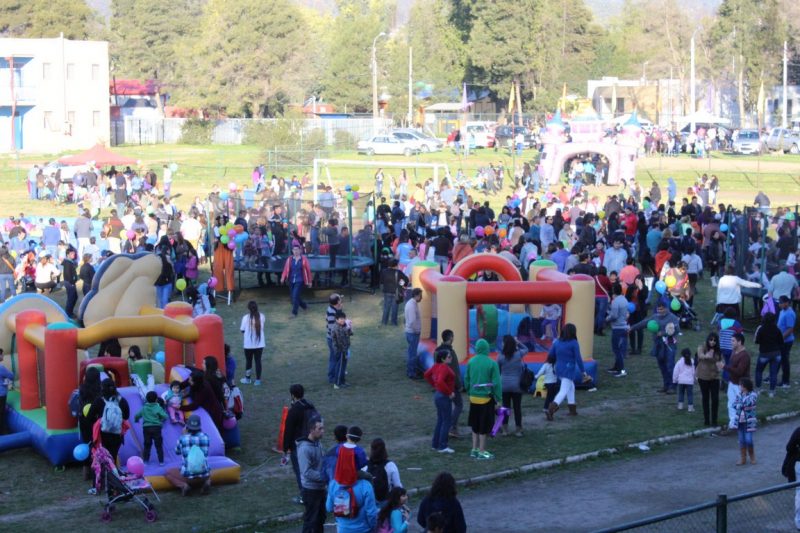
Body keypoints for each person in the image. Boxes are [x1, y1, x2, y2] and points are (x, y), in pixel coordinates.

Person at [630, 300, 681, 394]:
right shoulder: (655, 317)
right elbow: (645, 323)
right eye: (658, 309)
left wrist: (664, 333)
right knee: (662, 366)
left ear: (666, 308)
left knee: (670, 366)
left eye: (661, 309)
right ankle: (666, 385)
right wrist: (632, 328)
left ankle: (673, 387)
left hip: (669, 345)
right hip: (658, 345)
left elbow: (677, 330)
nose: (659, 311)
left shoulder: (672, 318)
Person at [463, 338, 501, 460]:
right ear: (487, 348)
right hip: (486, 399)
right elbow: (496, 383)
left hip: (473, 398)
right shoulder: (492, 363)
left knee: (475, 424)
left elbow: (466, 379)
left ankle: (473, 449)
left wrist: (469, 391)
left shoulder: (471, 362)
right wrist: (499, 399)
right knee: (484, 427)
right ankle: (482, 451)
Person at [283, 384, 316, 505]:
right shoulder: (310, 405)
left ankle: (304, 496)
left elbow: (288, 430)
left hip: (299, 445)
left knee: (300, 472)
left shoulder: (294, 410)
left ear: (292, 395)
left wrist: (286, 448)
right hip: (313, 442)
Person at [547, 324, 587, 419]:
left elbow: (551, 354)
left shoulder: (557, 342)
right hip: (568, 370)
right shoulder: (573, 343)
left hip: (558, 369)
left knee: (571, 387)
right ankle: (551, 408)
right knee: (563, 390)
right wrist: (583, 372)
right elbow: (578, 359)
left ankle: (572, 410)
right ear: (573, 332)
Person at [87, 378, 130, 466]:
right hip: (117, 434)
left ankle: (102, 476)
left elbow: (89, 417)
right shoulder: (122, 400)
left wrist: (99, 420)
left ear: (102, 388)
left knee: (102, 457)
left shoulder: (99, 401)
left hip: (103, 434)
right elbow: (126, 416)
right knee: (113, 456)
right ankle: (112, 476)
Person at [165, 414, 211, 496]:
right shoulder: (206, 437)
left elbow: (177, 452)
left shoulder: (183, 439)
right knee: (208, 468)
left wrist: (183, 435)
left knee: (168, 472)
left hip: (189, 478)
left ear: (187, 427)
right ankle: (207, 482)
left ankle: (183, 486)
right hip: (204, 475)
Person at [326, 466, 379, 533]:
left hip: (343, 529)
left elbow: (329, 508)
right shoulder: (365, 485)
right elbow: (371, 513)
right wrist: (373, 527)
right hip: (363, 529)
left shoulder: (333, 484)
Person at [424, 349, 456, 454]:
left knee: (440, 420)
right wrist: (449, 392)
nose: (451, 358)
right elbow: (441, 381)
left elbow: (427, 375)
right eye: (449, 356)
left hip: (438, 395)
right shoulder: (444, 368)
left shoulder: (436, 366)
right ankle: (443, 446)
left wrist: (434, 385)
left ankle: (435, 444)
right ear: (443, 359)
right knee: (446, 421)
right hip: (444, 396)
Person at [299, 416, 327, 533]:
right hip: (311, 490)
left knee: (320, 519)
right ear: (311, 430)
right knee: (311, 521)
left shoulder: (318, 443)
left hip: (320, 488)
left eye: (323, 428)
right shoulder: (305, 449)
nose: (323, 431)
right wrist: (324, 476)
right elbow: (307, 472)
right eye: (320, 429)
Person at [436, 329, 463, 439]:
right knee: (459, 405)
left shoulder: (437, 351)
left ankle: (445, 428)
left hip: (441, 385)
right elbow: (455, 370)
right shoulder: (450, 353)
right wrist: (459, 385)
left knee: (444, 408)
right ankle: (452, 427)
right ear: (451, 338)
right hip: (451, 385)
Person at [497, 335, 525, 437]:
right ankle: (518, 429)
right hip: (517, 385)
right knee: (517, 408)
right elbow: (526, 349)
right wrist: (518, 342)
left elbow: (497, 370)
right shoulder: (518, 354)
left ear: (504, 344)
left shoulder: (500, 356)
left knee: (505, 407)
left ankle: (505, 429)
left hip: (504, 385)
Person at [364, 438, 403, 508]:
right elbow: (398, 486)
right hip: (386, 503)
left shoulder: (364, 466)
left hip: (370, 503)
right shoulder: (390, 465)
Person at [725, 333, 751, 432]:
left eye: (733, 341)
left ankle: (744, 426)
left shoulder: (745, 356)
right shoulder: (734, 351)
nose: (731, 343)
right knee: (731, 404)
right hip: (732, 383)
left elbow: (739, 371)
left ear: (739, 342)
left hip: (741, 385)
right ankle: (733, 425)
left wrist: (724, 367)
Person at [754, 312, 784, 397]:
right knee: (773, 373)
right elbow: (781, 342)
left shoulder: (761, 329)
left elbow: (757, 341)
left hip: (764, 353)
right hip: (776, 354)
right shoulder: (777, 329)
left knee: (759, 371)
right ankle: (772, 392)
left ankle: (758, 390)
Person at [696, 333, 723, 427]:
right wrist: (706, 355)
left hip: (714, 377)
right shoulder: (702, 347)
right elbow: (700, 355)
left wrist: (720, 366)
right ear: (708, 340)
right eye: (711, 340)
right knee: (705, 398)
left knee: (715, 399)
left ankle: (714, 420)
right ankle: (707, 420)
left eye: (714, 340)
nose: (712, 342)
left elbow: (719, 361)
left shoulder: (718, 350)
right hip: (703, 377)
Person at [134, 390, 168, 466]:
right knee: (158, 445)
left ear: (146, 399)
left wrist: (136, 420)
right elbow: (165, 416)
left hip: (146, 428)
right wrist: (161, 419)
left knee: (147, 444)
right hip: (156, 428)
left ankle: (146, 461)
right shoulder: (158, 407)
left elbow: (137, 415)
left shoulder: (144, 408)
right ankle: (161, 461)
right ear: (156, 399)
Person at [732, 378, 758, 465]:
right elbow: (734, 405)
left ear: (745, 387)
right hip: (739, 422)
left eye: (741, 385)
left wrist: (740, 404)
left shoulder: (753, 395)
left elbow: (749, 403)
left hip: (749, 423)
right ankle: (743, 459)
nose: (739, 386)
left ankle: (752, 457)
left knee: (749, 440)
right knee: (741, 440)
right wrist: (741, 405)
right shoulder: (739, 395)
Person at [281, 244, 312, 317]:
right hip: (291, 280)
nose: (296, 251)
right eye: (294, 250)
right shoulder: (289, 259)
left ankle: (294, 313)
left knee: (295, 296)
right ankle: (304, 306)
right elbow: (285, 269)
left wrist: (310, 281)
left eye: (297, 250)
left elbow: (308, 271)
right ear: (292, 251)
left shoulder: (304, 259)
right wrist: (283, 277)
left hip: (300, 280)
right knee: (294, 297)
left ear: (300, 250)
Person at [240, 300, 265, 385]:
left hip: (248, 345)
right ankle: (258, 380)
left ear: (249, 308)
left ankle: (247, 379)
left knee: (248, 361)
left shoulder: (245, 318)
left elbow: (242, 330)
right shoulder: (262, 316)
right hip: (259, 344)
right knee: (258, 361)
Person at [607, 282, 629, 377]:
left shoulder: (615, 301)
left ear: (613, 291)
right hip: (624, 326)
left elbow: (614, 316)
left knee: (617, 349)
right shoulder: (624, 299)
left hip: (617, 328)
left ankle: (622, 370)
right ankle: (616, 367)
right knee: (619, 348)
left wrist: (606, 319)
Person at [380, 259, 408, 326]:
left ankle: (384, 322)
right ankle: (393, 323)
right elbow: (406, 280)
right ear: (396, 265)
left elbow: (381, 281)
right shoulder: (399, 272)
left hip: (387, 291)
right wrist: (400, 285)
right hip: (396, 292)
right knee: (395, 308)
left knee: (386, 307)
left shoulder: (384, 271)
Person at [777, 295, 796, 389]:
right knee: (780, 360)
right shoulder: (782, 311)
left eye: (781, 303)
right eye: (779, 302)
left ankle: (786, 382)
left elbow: (790, 329)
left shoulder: (789, 314)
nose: (779, 304)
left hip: (786, 341)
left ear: (786, 303)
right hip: (782, 340)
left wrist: (781, 338)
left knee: (784, 361)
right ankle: (777, 378)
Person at [404, 288, 423, 379]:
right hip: (413, 333)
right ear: (417, 295)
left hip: (410, 332)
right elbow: (412, 321)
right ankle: (411, 372)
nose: (421, 297)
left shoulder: (412, 303)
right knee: (412, 353)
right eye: (420, 295)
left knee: (412, 352)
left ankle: (413, 369)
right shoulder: (412, 305)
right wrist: (417, 330)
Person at [332, 310, 353, 389]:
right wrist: (344, 351)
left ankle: (342, 381)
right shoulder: (336, 328)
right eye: (341, 319)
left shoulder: (344, 325)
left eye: (344, 318)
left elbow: (350, 333)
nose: (343, 320)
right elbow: (340, 341)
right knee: (340, 367)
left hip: (345, 350)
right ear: (336, 320)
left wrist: (349, 326)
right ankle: (337, 383)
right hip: (340, 350)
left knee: (343, 367)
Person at [537, 351, 559, 420]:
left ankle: (547, 410)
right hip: (554, 384)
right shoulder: (556, 365)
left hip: (548, 384)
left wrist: (535, 377)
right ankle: (550, 410)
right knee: (553, 397)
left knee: (549, 397)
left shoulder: (545, 365)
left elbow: (540, 373)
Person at [61, 247, 79, 318]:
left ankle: (69, 312)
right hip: (69, 282)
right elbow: (67, 274)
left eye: (74, 253)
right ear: (67, 255)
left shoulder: (69, 261)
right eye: (71, 254)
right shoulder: (68, 262)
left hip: (70, 282)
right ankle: (68, 313)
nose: (73, 255)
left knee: (74, 297)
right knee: (72, 298)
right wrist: (72, 282)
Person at [0, 349, 14, 435]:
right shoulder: (1, 367)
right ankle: (2, 432)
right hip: (1, 394)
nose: (3, 356)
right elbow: (11, 375)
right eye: (1, 354)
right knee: (1, 413)